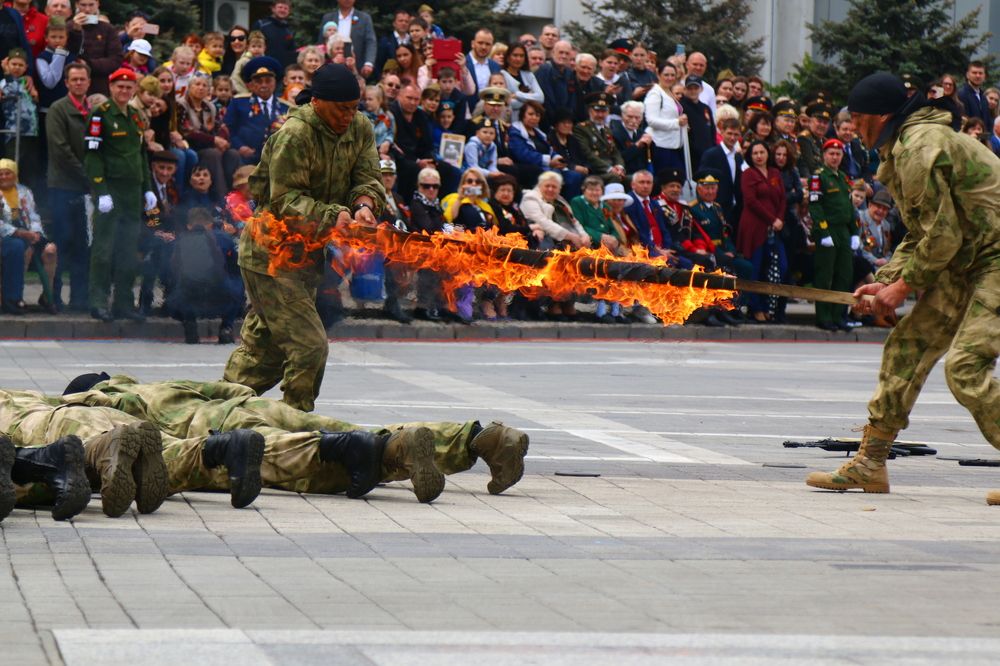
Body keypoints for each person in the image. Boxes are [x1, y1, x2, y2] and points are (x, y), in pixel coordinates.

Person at [804, 72, 1000, 506]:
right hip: (968, 256)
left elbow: (943, 235)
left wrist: (904, 286)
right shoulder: (905, 148)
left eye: (856, 118)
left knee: (965, 368)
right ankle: (870, 463)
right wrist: (890, 279)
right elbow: (923, 231)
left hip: (994, 256)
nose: (851, 127)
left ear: (881, 116)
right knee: (905, 349)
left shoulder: (919, 148)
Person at [223, 64, 383, 413]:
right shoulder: (296, 135)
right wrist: (334, 216)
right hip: (270, 254)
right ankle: (295, 422)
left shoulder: (360, 127)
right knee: (309, 346)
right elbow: (283, 201)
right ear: (318, 103)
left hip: (306, 255)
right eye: (342, 108)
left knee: (263, 355)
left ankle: (213, 414)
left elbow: (369, 176)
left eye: (355, 107)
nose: (349, 115)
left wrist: (364, 206)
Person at [84, 67, 157, 323]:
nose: (124, 91)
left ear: (135, 89)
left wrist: (148, 187)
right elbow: (92, 155)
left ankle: (124, 303)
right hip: (111, 190)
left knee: (128, 250)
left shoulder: (136, 116)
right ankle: (98, 302)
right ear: (111, 88)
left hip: (132, 191)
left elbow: (141, 155)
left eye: (129, 87)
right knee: (104, 249)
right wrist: (101, 190)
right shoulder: (100, 115)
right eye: (119, 87)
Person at [45, 60, 90, 312]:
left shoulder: (93, 109)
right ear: (66, 83)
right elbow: (60, 149)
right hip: (63, 186)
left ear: (88, 81)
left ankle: (80, 298)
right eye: (74, 79)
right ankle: (54, 297)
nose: (79, 83)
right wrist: (88, 176)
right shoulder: (58, 109)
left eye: (82, 79)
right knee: (62, 243)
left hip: (86, 189)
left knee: (83, 244)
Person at [808, 138, 858, 332]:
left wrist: (855, 232)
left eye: (838, 154)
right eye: (831, 153)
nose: (835, 157)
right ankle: (824, 316)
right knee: (825, 275)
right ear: (824, 155)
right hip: (828, 230)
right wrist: (823, 231)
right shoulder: (819, 177)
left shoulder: (844, 177)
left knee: (844, 275)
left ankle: (838, 315)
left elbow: (849, 207)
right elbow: (815, 206)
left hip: (844, 230)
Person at [737, 140, 786, 323]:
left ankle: (768, 307)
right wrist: (772, 219)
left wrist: (779, 218)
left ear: (767, 153)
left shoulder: (775, 173)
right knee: (755, 268)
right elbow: (751, 201)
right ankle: (755, 308)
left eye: (762, 152)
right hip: (754, 227)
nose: (759, 156)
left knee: (779, 267)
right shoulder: (748, 174)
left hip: (774, 229)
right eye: (755, 153)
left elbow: (782, 198)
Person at [0, 159, 56, 314]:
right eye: (1, 174)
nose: (4, 177)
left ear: (15, 174)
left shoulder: (24, 191)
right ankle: (14, 298)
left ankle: (48, 297)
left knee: (50, 250)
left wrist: (36, 233)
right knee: (19, 247)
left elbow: (33, 215)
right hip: (7, 236)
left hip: (26, 234)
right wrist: (20, 233)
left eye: (8, 173)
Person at [178, 72, 241, 200]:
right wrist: (214, 140)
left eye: (204, 85)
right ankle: (221, 199)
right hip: (191, 148)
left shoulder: (209, 106)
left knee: (232, 154)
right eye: (197, 84)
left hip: (211, 146)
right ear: (189, 87)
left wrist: (222, 140)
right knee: (213, 154)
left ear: (209, 90)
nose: (201, 88)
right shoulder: (181, 105)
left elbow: (221, 126)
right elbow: (186, 131)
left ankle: (237, 197)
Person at [226, 56, 287, 164]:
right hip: (245, 158)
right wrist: (240, 147)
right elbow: (229, 129)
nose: (264, 85)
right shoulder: (238, 103)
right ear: (251, 84)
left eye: (268, 81)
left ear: (275, 82)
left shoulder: (285, 107)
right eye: (259, 81)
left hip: (278, 161)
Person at [698, 117, 743, 226]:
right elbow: (702, 181)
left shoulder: (738, 157)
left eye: (736, 134)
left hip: (735, 208)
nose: (732, 138)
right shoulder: (711, 154)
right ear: (722, 132)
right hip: (717, 207)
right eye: (729, 133)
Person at [574, 91, 626, 183]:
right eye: (597, 111)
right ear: (590, 111)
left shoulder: (607, 130)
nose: (601, 115)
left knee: (634, 180)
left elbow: (615, 152)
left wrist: (619, 167)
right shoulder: (582, 128)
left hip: (611, 170)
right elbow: (587, 154)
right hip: (594, 171)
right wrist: (610, 169)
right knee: (615, 178)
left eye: (604, 111)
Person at [644, 61, 687, 174]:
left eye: (672, 75)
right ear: (658, 74)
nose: (669, 78)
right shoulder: (655, 93)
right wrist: (677, 122)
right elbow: (651, 120)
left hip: (674, 145)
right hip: (660, 145)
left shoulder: (669, 92)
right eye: (666, 75)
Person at [71, 0, 120, 96]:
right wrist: (75, 32)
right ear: (77, 5)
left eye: (91, 5)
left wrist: (89, 64)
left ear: (97, 4)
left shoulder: (108, 29)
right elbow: (64, 54)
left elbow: (116, 60)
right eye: (83, 5)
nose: (87, 9)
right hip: (73, 86)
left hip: (99, 87)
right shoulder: (68, 27)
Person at [318, 0, 376, 79]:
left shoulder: (364, 18)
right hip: (330, 67)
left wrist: (368, 63)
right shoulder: (328, 18)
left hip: (355, 68)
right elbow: (321, 43)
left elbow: (371, 42)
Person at [535, 40, 574, 126]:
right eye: (560, 52)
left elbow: (571, 99)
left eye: (567, 53)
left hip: (564, 122)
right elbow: (548, 100)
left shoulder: (570, 73)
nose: (563, 56)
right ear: (553, 53)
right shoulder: (545, 70)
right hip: (547, 121)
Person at [680, 75, 715, 169]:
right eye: (690, 88)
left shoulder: (706, 108)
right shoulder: (681, 107)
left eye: (696, 88)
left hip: (708, 154)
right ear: (684, 89)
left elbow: (712, 132)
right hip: (690, 155)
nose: (693, 91)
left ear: (701, 89)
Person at [501, 42, 543, 116]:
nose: (518, 59)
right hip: (510, 120)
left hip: (530, 122)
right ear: (508, 57)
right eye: (515, 55)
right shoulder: (502, 75)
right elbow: (509, 103)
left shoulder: (529, 75)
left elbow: (540, 98)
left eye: (521, 56)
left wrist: (517, 95)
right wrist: (531, 98)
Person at [610, 100, 652, 175]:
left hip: (642, 173)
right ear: (622, 115)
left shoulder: (642, 133)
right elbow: (618, 158)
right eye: (629, 116)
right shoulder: (613, 133)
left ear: (642, 118)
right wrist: (637, 145)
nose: (633, 121)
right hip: (623, 174)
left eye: (637, 117)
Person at [253, 0, 296, 68]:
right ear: (273, 8)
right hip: (263, 67)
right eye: (280, 7)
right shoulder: (261, 25)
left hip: (283, 70)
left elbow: (292, 53)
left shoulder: (289, 31)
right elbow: (252, 46)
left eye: (285, 8)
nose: (282, 10)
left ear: (289, 11)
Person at [797, 100, 831, 176]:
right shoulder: (804, 138)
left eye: (825, 123)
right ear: (810, 121)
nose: (822, 125)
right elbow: (811, 166)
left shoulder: (826, 141)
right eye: (819, 121)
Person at [958, 60, 991, 128]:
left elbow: (987, 123)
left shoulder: (984, 98)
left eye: (980, 73)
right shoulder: (961, 95)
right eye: (974, 73)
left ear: (984, 76)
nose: (978, 76)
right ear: (967, 75)